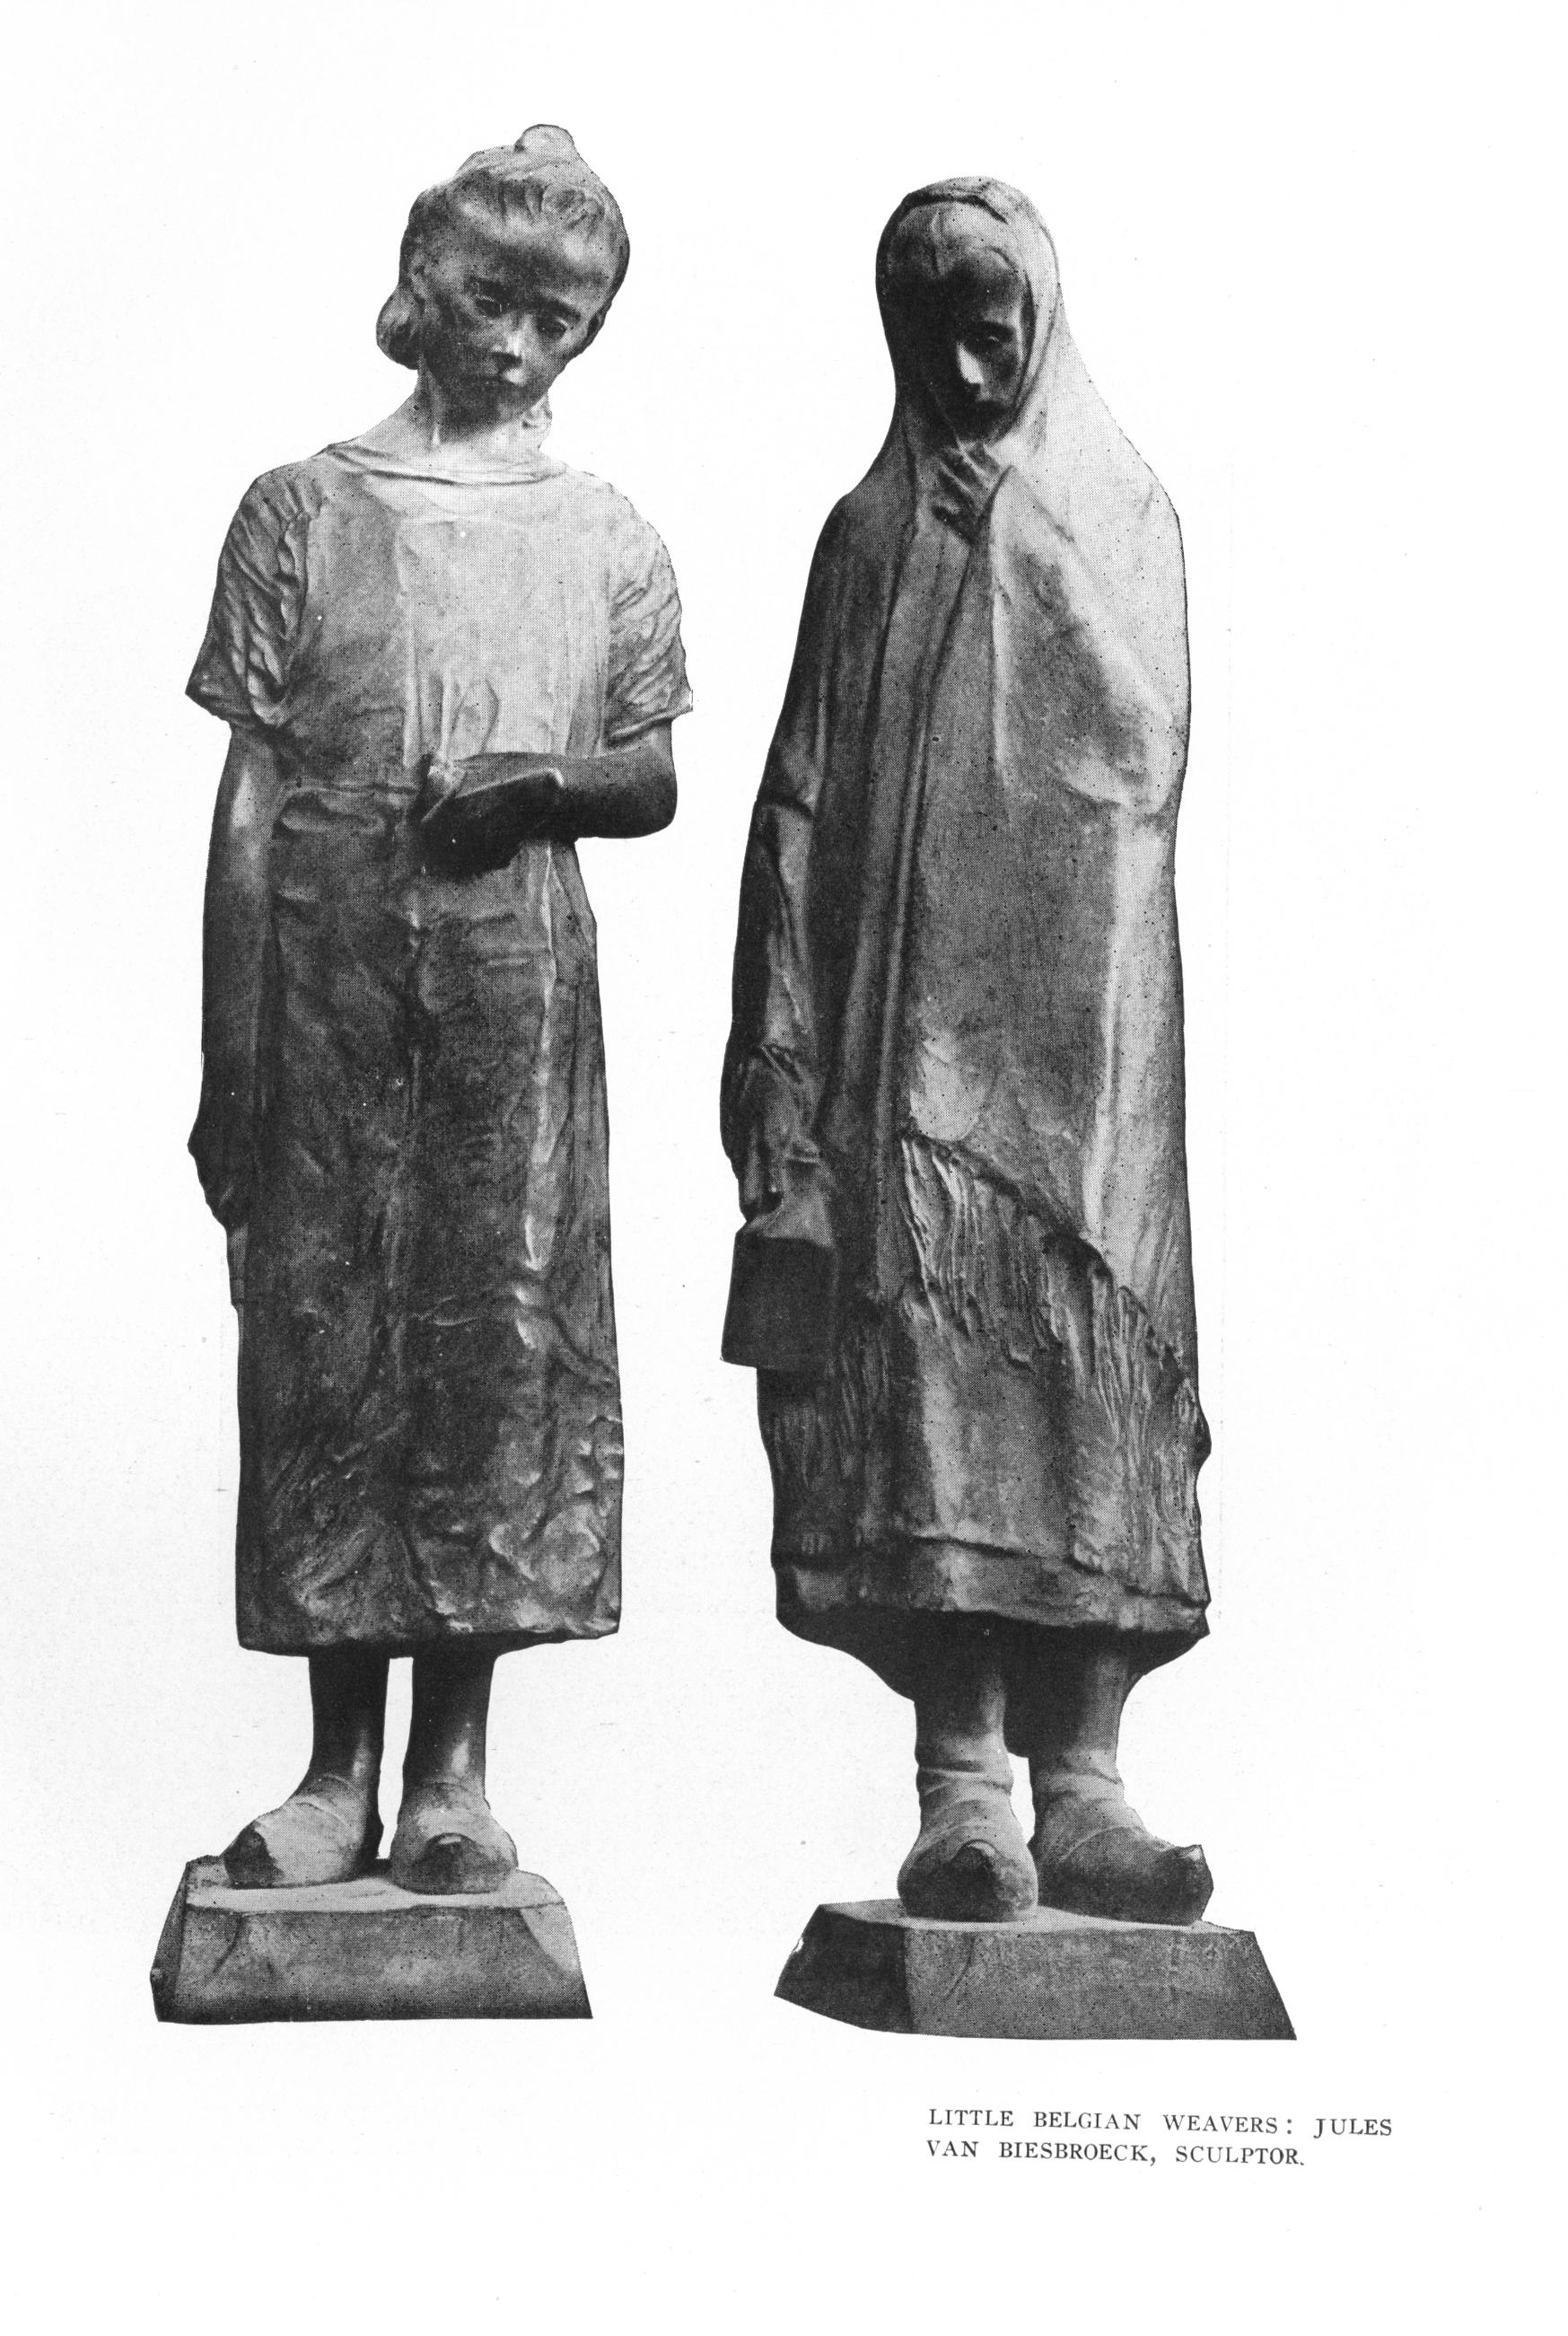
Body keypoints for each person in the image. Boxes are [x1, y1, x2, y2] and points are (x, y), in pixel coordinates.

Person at [188, 125, 690, 1895]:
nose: (521, 344)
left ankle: (454, 1774)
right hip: (324, 988)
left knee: (490, 1354)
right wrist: (227, 1053)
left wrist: (536, 783)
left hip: (510, 1004)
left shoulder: (607, 536)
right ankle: (336, 1769)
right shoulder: (300, 511)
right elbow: (248, 799)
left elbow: (649, 776)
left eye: (562, 318)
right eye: (495, 299)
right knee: (328, 1354)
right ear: (425, 283)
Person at [721, 178, 1212, 1927]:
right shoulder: (866, 537)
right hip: (901, 1054)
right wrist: (778, 1066)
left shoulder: (1120, 511)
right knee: (931, 1398)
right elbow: (799, 797)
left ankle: (1088, 1782)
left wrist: (1015, 548)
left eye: (994, 330)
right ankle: (963, 1784)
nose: (970, 366)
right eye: (934, 336)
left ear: (1043, 322)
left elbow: (1144, 752)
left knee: (1086, 1389)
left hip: (1082, 1061)